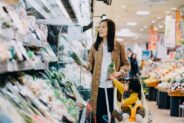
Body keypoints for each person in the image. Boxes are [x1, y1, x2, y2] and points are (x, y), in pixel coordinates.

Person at [83, 19, 129, 123]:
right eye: (100, 27)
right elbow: (90, 63)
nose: (100, 29)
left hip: (112, 88)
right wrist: (86, 65)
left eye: (103, 27)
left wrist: (119, 73)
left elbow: (126, 64)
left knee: (112, 115)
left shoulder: (118, 46)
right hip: (98, 88)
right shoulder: (95, 46)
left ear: (111, 29)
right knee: (98, 115)